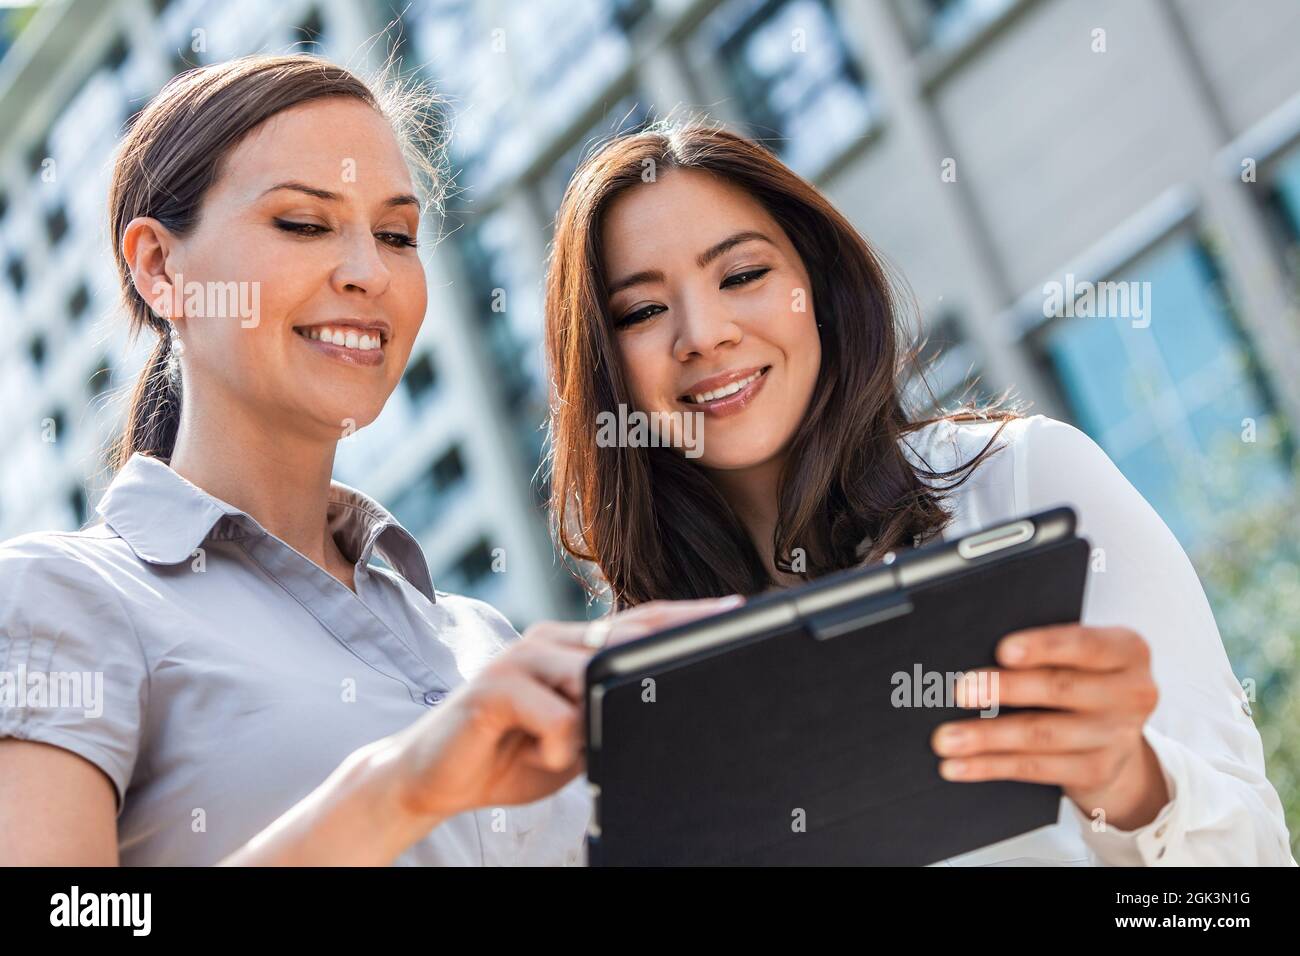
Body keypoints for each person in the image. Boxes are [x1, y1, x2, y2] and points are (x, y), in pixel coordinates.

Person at [0, 55, 740, 866]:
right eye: (304, 224)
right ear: (159, 267)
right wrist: (398, 789)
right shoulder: (58, 599)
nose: (368, 273)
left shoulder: (478, 638)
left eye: (396, 236)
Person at [542, 121, 1296, 865]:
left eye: (742, 275)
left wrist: (1130, 782)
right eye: (641, 311)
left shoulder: (1025, 479)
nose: (703, 335)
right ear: (605, 371)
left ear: (821, 292)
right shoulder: (636, 691)